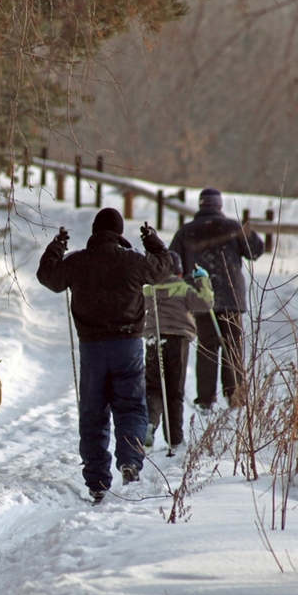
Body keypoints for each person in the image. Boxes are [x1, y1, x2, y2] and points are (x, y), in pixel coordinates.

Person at [37, 207, 173, 504]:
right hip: (127, 346)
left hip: (93, 348)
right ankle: (129, 461)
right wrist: (153, 242)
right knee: (131, 407)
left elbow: (47, 276)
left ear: (95, 232)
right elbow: (166, 267)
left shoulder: (78, 262)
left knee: (93, 412)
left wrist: (56, 247)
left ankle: (97, 480)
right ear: (119, 232)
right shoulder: (134, 262)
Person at [169, 188, 264, 411]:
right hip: (231, 296)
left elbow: (173, 262)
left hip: (202, 297)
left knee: (207, 347)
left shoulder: (187, 231)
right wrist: (245, 229)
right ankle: (236, 397)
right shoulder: (233, 227)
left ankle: (206, 400)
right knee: (233, 347)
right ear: (219, 206)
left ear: (201, 206)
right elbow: (256, 251)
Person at [142, 251, 214, 450]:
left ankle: (149, 422)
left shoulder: (149, 290)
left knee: (153, 386)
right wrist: (203, 281)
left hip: (153, 339)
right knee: (174, 390)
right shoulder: (183, 288)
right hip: (177, 341)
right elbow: (206, 302)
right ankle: (174, 439)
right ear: (180, 273)